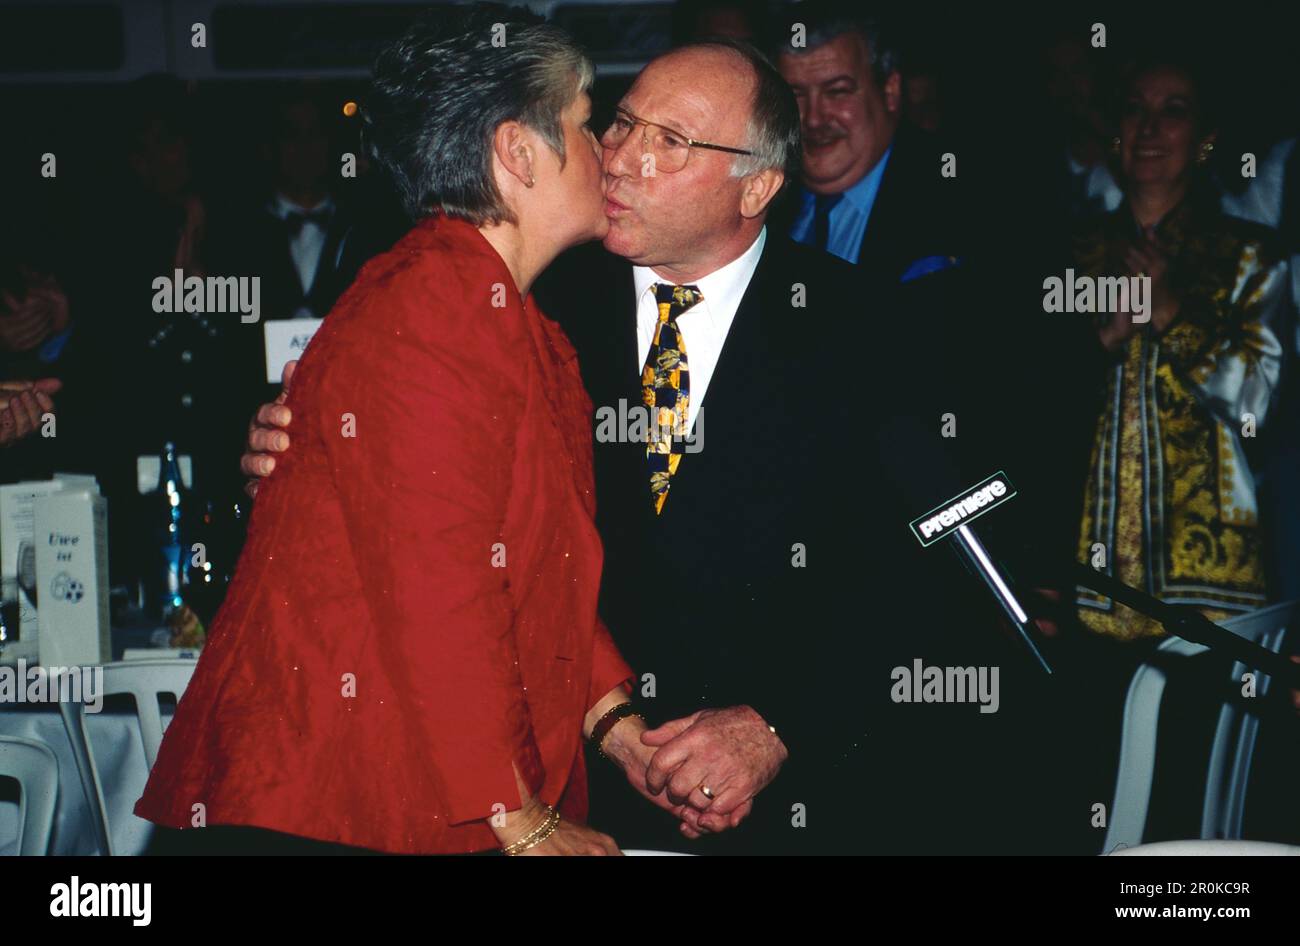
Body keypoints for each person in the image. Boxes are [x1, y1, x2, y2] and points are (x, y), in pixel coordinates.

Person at [244, 37, 1015, 854]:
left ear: (756, 186)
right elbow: (432, 552)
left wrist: (780, 725)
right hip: (554, 796)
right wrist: (300, 459)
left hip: (804, 808)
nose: (619, 157)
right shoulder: (523, 297)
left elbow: (946, 574)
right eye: (618, 124)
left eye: (670, 142)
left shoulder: (874, 331)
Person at [137, 4, 720, 856]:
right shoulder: (435, 305)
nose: (608, 153)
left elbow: (538, 567)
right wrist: (516, 816)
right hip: (332, 805)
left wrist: (621, 729)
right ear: (518, 152)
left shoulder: (512, 320)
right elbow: (436, 583)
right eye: (588, 122)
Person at [1068, 57, 1289, 639]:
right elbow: (1022, 404)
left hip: (1211, 585)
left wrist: (1172, 313)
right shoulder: (1068, 252)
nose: (1150, 128)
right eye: (1135, 109)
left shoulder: (1249, 256)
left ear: (1205, 140)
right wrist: (1097, 346)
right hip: (1083, 583)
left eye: (1174, 111)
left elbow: (1256, 409)